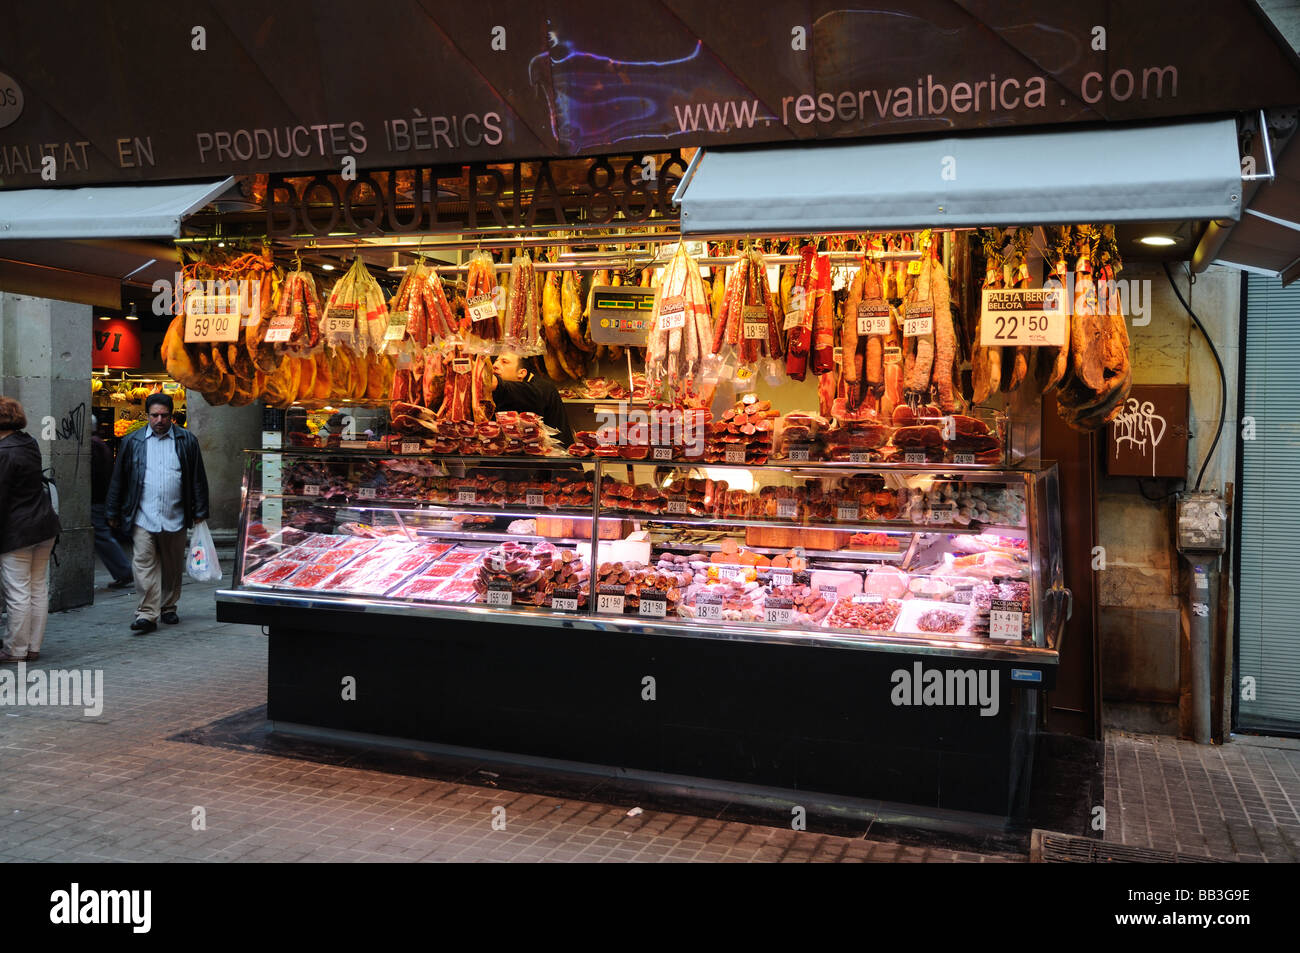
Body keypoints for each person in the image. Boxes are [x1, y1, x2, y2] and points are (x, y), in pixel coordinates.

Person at [106, 393, 210, 635]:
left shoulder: (187, 440)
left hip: (175, 514)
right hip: (143, 515)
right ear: (148, 416)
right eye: (155, 415)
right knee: (143, 563)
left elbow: (197, 478)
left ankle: (168, 606)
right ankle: (146, 613)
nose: (159, 420)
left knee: (173, 565)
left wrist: (200, 510)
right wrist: (112, 510)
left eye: (164, 415)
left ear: (171, 416)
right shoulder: (132, 441)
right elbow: (118, 479)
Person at [0, 396, 62, 663]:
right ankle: (32, 647)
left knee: (18, 591)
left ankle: (15, 649)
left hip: (18, 530)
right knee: (36, 587)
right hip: (43, 525)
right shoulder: (29, 443)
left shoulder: (3, 452)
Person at [491, 351, 574, 446]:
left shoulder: (542, 389)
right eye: (496, 361)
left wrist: (497, 384)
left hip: (552, 456)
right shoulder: (496, 392)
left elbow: (521, 392)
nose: (495, 365)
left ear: (521, 373)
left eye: (504, 362)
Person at [90, 416, 132, 589]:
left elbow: (94, 474)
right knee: (102, 536)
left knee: (102, 536)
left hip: (96, 498)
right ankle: (123, 572)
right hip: (101, 497)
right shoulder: (100, 444)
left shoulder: (93, 446)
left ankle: (124, 571)